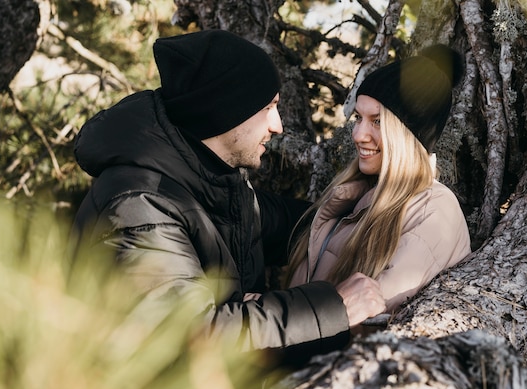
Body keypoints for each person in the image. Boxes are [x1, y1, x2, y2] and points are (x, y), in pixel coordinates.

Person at [71, 30, 385, 358]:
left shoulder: (215, 182)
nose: (277, 126)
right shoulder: (140, 204)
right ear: (226, 111)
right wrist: (336, 309)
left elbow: (305, 225)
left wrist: (372, 200)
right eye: (268, 107)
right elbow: (190, 338)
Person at [286, 45, 472, 313]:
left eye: (377, 121)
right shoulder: (355, 194)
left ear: (409, 134)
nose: (358, 135)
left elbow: (369, 320)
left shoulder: (432, 209)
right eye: (359, 118)